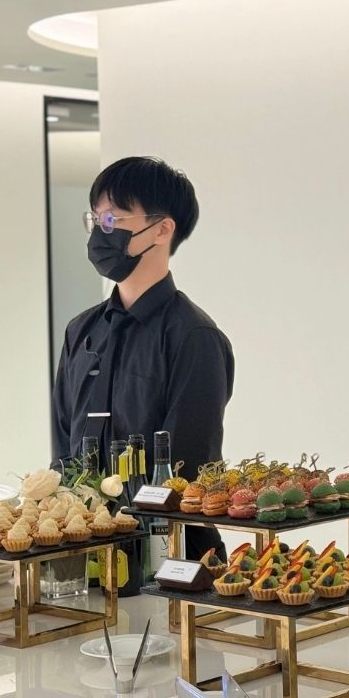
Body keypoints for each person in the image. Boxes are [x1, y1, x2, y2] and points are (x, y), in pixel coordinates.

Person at [52, 158, 233, 534]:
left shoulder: (194, 336)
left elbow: (188, 471)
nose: (101, 233)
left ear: (162, 229)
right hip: (83, 541)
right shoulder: (80, 331)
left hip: (168, 548)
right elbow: (64, 446)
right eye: (96, 219)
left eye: (113, 220)